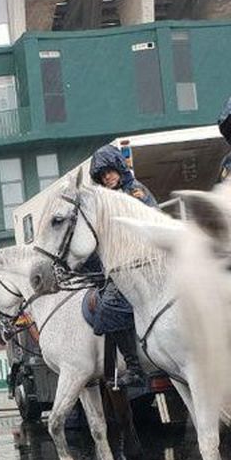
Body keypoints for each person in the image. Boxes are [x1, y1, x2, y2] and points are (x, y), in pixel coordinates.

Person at [85, 145, 155, 387]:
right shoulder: (108, 201)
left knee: (110, 309)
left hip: (142, 263)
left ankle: (135, 368)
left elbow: (149, 224)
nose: (107, 178)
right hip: (121, 266)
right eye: (103, 176)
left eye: (110, 172)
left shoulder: (134, 192)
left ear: (119, 168)